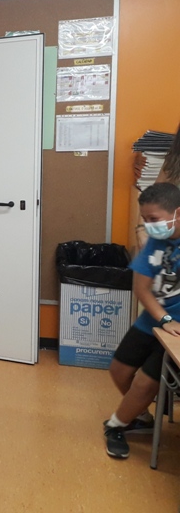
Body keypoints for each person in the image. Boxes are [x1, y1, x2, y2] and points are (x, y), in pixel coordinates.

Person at [104, 182, 180, 459]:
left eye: (154, 219)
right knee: (119, 371)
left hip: (176, 335)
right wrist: (165, 318)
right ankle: (141, 416)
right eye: (145, 219)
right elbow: (142, 289)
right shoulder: (156, 244)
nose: (149, 226)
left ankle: (116, 426)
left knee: (145, 384)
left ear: (178, 213)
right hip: (154, 320)